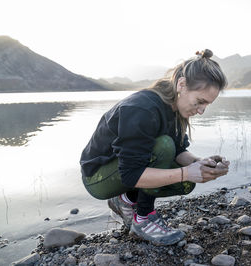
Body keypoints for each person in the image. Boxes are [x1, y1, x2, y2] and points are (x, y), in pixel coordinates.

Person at [80, 49, 230, 246]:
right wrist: (186, 172)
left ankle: (126, 199)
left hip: (127, 169)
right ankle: (143, 219)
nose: (201, 111)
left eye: (207, 105)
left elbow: (178, 151)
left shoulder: (174, 109)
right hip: (98, 177)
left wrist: (200, 164)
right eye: (200, 101)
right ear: (182, 85)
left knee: (186, 183)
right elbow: (132, 174)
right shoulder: (142, 109)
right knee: (165, 149)